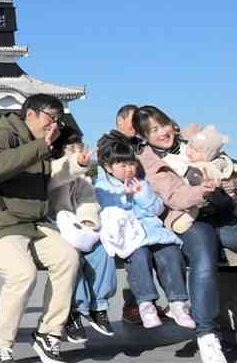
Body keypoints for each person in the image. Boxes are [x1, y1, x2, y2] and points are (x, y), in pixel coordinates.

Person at [0, 94, 86, 363]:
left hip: (32, 224)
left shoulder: (40, 145)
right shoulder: (2, 133)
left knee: (68, 258)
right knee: (23, 274)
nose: (54, 126)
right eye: (50, 118)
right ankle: (0, 346)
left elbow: (49, 178)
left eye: (58, 120)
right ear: (30, 113)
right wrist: (39, 149)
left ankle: (49, 333)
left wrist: (75, 165)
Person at [134, 105, 237, 363]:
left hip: (222, 215)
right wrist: (203, 191)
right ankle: (207, 334)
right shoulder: (148, 161)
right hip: (189, 220)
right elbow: (174, 196)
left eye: (163, 124)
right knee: (204, 260)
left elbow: (233, 165)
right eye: (153, 130)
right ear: (144, 137)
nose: (163, 132)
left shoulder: (192, 142)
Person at [94, 138, 194, 330]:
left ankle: (178, 304)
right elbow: (109, 211)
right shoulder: (102, 187)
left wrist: (141, 193)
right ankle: (146, 305)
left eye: (131, 163)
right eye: (122, 165)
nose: (128, 169)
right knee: (139, 256)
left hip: (153, 232)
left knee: (170, 252)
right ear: (108, 167)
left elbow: (156, 209)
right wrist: (125, 195)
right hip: (128, 237)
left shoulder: (141, 182)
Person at [46, 141, 116, 343]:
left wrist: (88, 220)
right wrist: (74, 163)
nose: (79, 155)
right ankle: (75, 309)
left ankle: (99, 306)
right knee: (71, 257)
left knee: (103, 251)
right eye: (72, 151)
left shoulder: (84, 178)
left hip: (78, 226)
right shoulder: (52, 171)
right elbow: (57, 177)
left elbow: (89, 201)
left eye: (80, 150)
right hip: (53, 225)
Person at [97, 104, 145, 325]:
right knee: (135, 249)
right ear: (120, 121)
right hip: (116, 209)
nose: (138, 125)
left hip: (136, 206)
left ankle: (142, 303)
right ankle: (134, 305)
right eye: (134, 120)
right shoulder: (109, 144)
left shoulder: (139, 144)